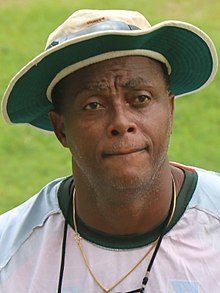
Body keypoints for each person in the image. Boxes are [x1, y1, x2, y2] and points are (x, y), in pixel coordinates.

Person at [0, 9, 219, 293]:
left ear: (170, 109)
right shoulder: (9, 256)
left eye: (140, 98)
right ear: (61, 129)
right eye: (93, 105)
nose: (121, 122)